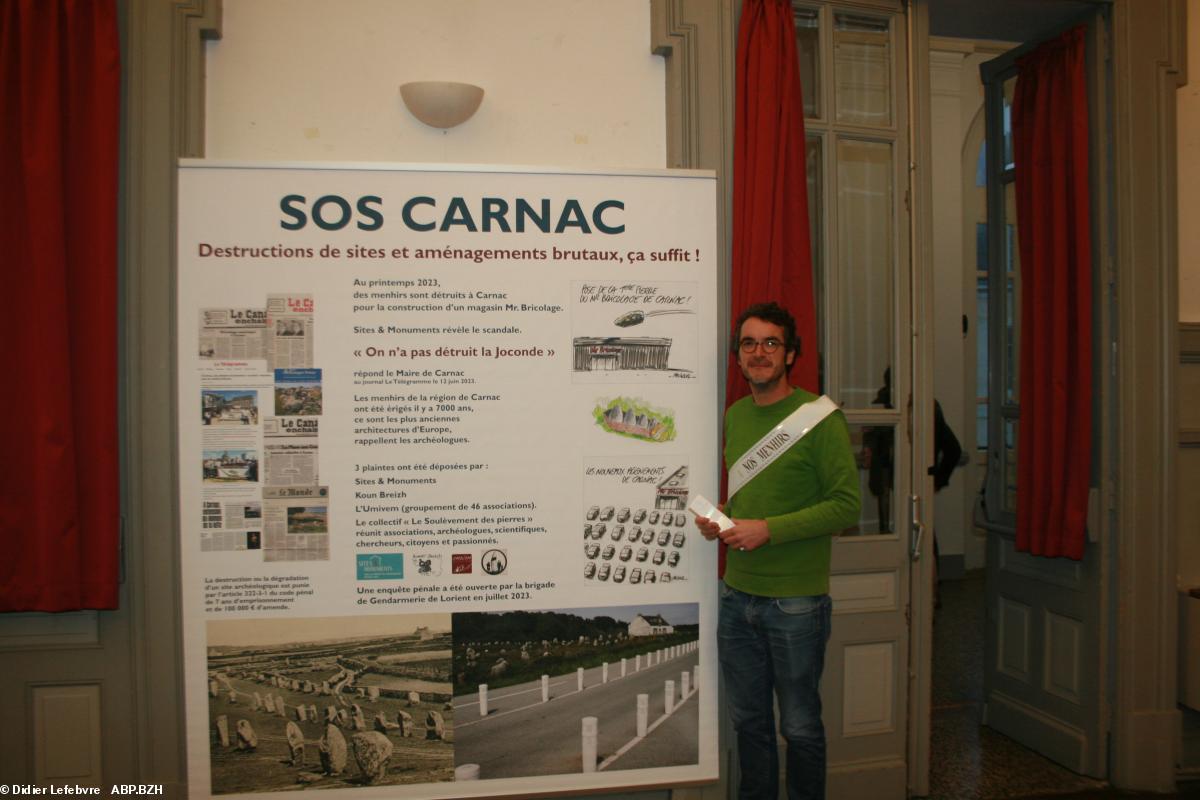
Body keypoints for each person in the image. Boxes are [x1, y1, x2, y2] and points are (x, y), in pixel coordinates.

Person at [694, 302, 860, 800]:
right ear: (737, 357)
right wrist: (724, 519)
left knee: (801, 727)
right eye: (749, 343)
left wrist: (767, 529)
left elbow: (847, 507)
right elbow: (754, 497)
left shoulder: (820, 418)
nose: (759, 352)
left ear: (791, 355)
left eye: (771, 343)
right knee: (749, 726)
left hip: (797, 603)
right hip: (737, 596)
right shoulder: (737, 415)